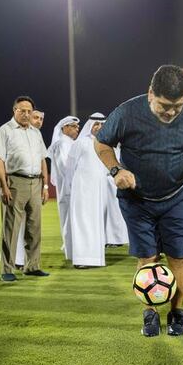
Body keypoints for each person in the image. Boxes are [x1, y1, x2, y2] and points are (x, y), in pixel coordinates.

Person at [94, 65, 183, 337]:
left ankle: (176, 312)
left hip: (176, 196)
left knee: (179, 257)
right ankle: (150, 313)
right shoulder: (126, 112)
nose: (171, 112)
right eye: (165, 106)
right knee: (148, 257)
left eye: (177, 106)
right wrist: (116, 170)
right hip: (137, 200)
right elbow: (102, 144)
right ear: (150, 95)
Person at [0, 96, 50, 282]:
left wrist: (45, 185)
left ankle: (32, 266)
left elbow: (43, 160)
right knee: (11, 227)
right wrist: (3, 187)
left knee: (34, 227)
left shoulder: (35, 133)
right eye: (22, 110)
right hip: (15, 182)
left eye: (29, 111)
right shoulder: (5, 130)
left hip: (36, 183)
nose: (26, 114)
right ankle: (7, 269)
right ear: (14, 110)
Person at [67, 112, 128, 267]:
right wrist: (71, 189)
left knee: (96, 224)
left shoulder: (106, 146)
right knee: (83, 223)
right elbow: (69, 169)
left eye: (102, 125)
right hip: (82, 191)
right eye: (96, 124)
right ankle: (82, 260)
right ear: (90, 126)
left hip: (98, 192)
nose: (99, 127)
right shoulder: (80, 143)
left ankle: (94, 259)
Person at [46, 115, 80, 257]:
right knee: (68, 220)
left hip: (72, 187)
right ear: (64, 128)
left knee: (72, 220)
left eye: (78, 126)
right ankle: (71, 252)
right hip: (68, 188)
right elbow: (65, 167)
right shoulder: (62, 143)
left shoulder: (69, 143)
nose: (77, 129)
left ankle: (73, 250)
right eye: (73, 126)